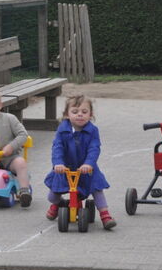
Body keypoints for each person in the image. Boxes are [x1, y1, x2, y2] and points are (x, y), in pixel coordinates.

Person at [43, 94, 115, 230]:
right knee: (53, 194)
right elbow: (57, 147)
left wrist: (88, 164)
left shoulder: (92, 131)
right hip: (65, 168)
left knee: (97, 189)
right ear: (67, 114)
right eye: (75, 112)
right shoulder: (62, 130)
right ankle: (57, 204)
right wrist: (58, 163)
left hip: (86, 169)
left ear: (90, 114)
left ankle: (105, 215)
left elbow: (94, 148)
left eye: (84, 112)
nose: (80, 115)